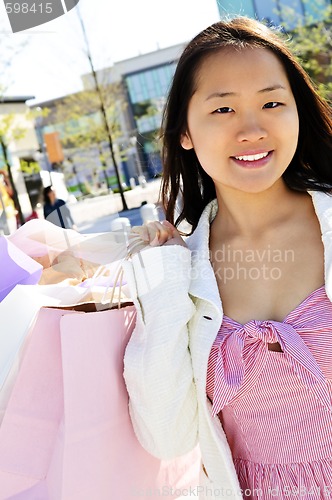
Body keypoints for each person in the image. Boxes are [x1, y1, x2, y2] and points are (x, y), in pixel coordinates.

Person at [122, 16, 332, 500]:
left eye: (272, 103)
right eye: (223, 110)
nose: (252, 129)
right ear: (185, 132)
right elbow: (166, 434)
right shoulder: (180, 268)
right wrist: (167, 280)